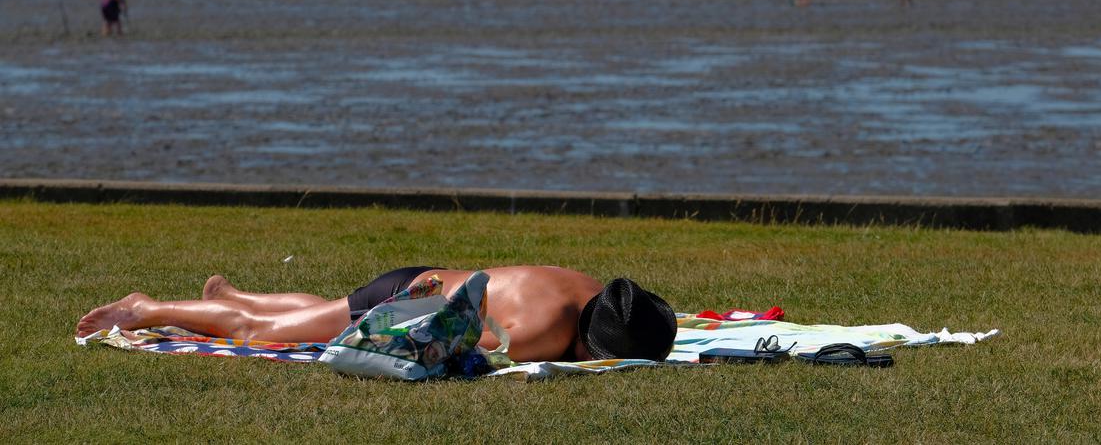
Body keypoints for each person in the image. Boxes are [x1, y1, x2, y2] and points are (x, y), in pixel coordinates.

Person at [76, 265, 678, 363]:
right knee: (259, 337)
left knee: (328, 311)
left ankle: (232, 296)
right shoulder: (549, 331)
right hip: (409, 301)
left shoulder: (593, 289)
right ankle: (144, 308)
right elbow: (472, 343)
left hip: (413, 278)